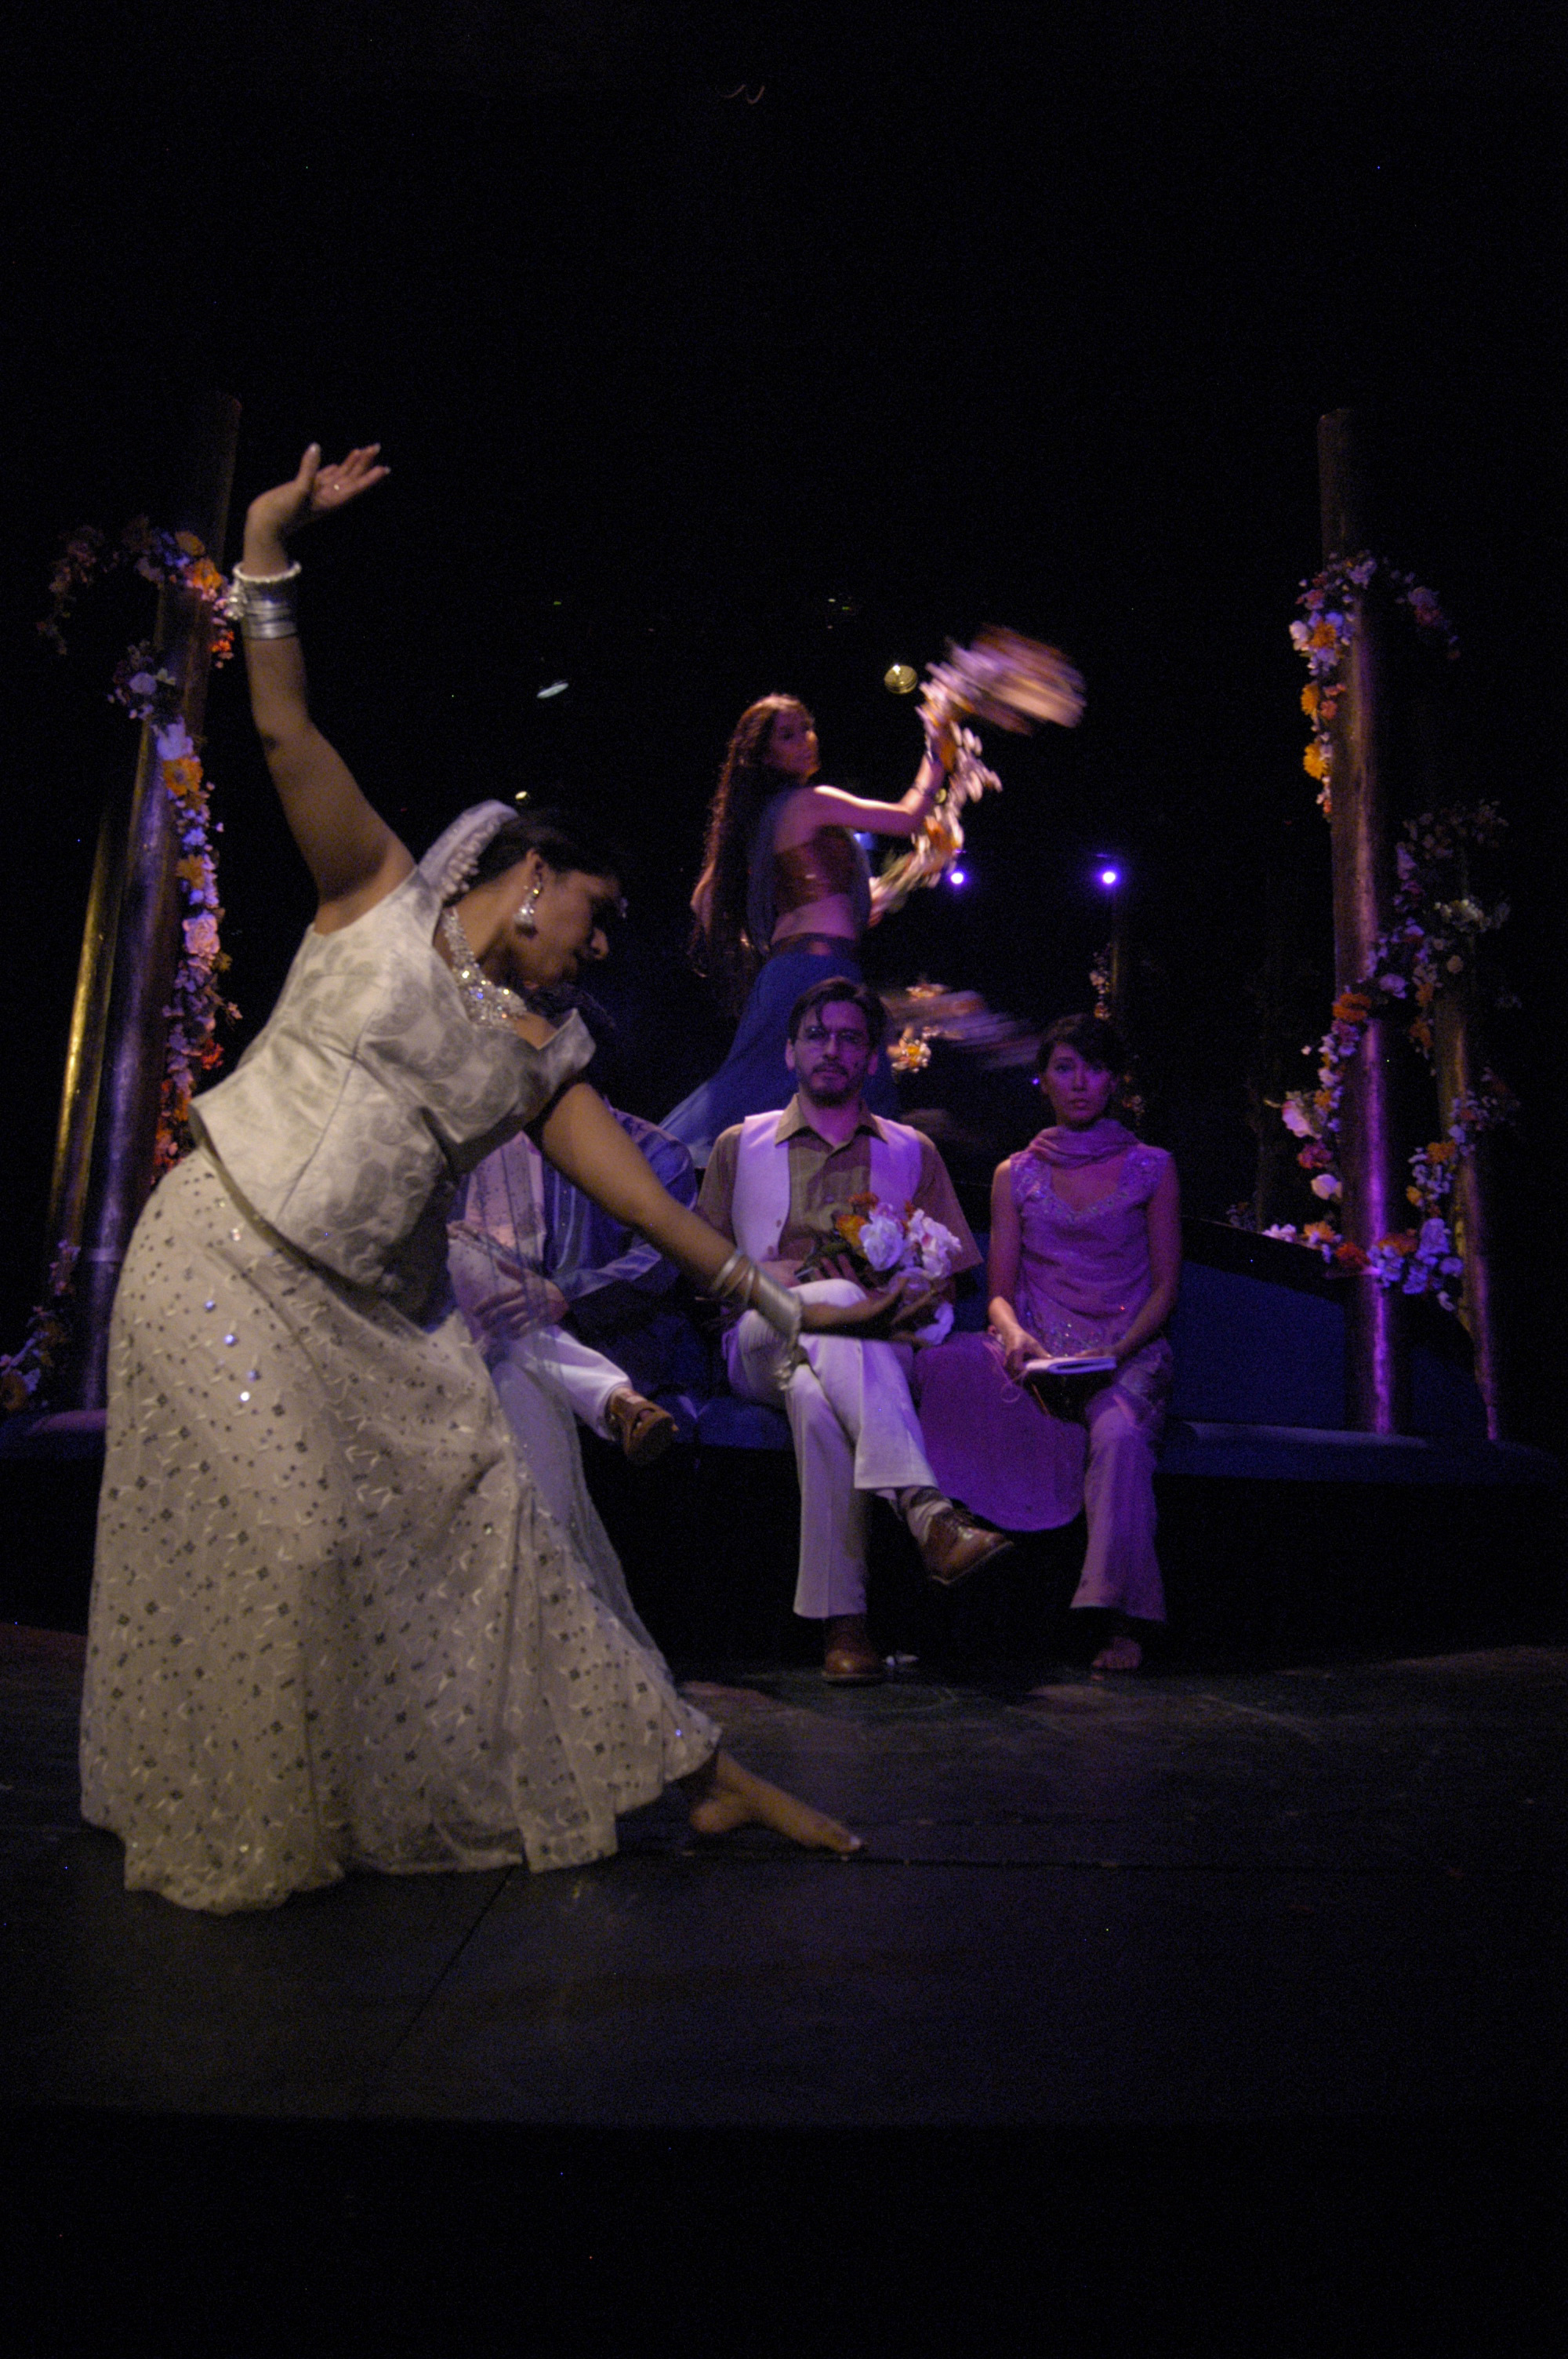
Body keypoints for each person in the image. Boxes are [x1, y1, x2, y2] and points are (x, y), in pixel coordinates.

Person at [79, 443, 933, 1912]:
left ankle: (691, 1770)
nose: (599, 944)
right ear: (532, 877)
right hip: (220, 1253)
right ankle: (248, 1785)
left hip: (373, 1315)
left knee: (500, 1531)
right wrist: (270, 549)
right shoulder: (373, 895)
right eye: (593, 914)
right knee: (296, 1542)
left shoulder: (545, 1054)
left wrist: (778, 1300)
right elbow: (281, 728)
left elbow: (652, 1204)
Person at [697, 976, 1013, 1685]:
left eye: (849, 1039)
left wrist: (912, 1286)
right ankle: (927, 1512)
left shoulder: (912, 1152)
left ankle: (845, 1628)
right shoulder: (740, 1145)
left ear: (872, 1059)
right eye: (817, 1036)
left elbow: (947, 1272)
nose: (831, 1050)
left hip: (873, 1350)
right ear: (790, 1051)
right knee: (838, 1299)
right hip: (760, 1341)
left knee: (817, 1402)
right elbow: (699, 1268)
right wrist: (757, 1272)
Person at [913, 1016, 1180, 1671]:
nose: (1080, 1082)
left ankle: (1117, 1620)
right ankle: (946, 1595)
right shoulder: (1017, 1173)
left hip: (1128, 1351)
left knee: (1118, 1437)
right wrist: (1016, 1337)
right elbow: (998, 1294)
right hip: (1041, 1348)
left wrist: (1117, 1353)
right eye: (1065, 1068)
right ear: (1044, 1081)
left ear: (1114, 1081)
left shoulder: (1153, 1167)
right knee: (937, 1371)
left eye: (1094, 1068)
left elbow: (1165, 1289)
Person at [662, 695, 949, 1161]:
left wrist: (780, 935)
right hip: (812, 973)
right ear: (764, 755)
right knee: (832, 1103)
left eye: (807, 728)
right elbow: (910, 817)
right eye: (788, 735)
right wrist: (938, 749)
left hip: (800, 970)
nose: (806, 740)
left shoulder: (763, 816)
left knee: (777, 1103)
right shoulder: (808, 801)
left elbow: (703, 899)